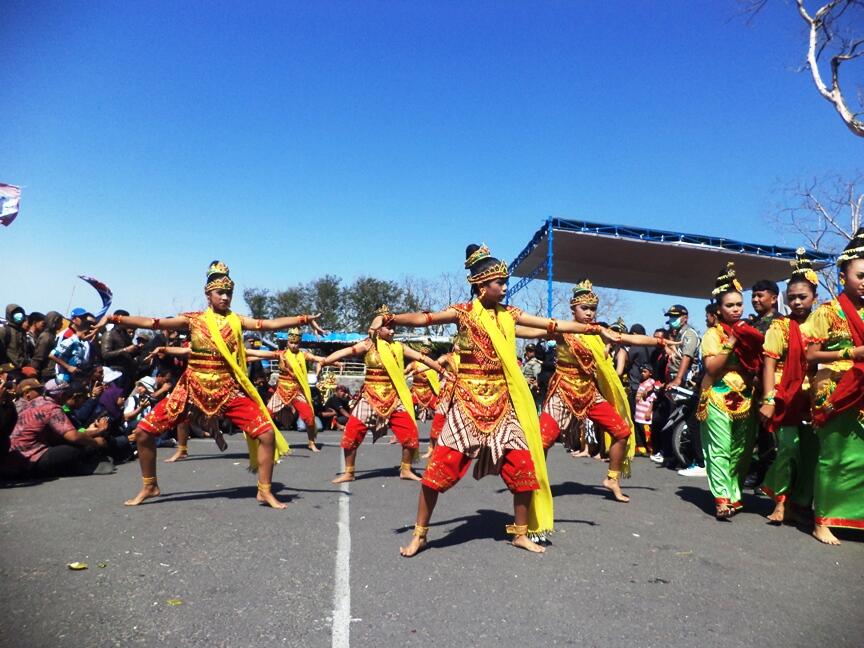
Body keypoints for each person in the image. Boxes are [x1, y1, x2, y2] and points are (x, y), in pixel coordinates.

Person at [373, 245, 619, 556]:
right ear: (480, 285)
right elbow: (425, 318)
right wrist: (394, 317)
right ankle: (420, 535)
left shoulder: (509, 315)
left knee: (524, 470)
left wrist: (592, 329)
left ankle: (519, 533)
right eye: (499, 283)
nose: (504, 288)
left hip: (502, 406)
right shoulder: (462, 312)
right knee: (436, 476)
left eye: (505, 282)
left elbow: (550, 324)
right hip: (467, 405)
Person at [102, 260, 324, 509]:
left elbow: (268, 324)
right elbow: (155, 323)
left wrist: (303, 319)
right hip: (192, 389)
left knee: (267, 433)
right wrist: (114, 319)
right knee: (143, 432)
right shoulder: (193, 320)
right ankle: (150, 485)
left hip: (227, 391)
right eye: (220, 292)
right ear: (208, 294)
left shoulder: (237, 321)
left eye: (229, 293)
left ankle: (264, 490)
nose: (226, 297)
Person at [534, 280, 672, 503]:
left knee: (622, 432)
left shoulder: (599, 332)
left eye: (592, 309)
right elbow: (532, 331)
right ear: (573, 309)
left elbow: (629, 338)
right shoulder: (563, 330)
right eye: (584, 308)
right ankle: (536, 484)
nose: (589, 313)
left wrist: (660, 341)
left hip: (588, 392)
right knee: (543, 441)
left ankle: (612, 479)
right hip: (563, 390)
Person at [321, 307, 448, 484]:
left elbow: (423, 359)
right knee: (351, 435)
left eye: (394, 327)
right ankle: (349, 472)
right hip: (369, 398)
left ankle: (406, 469)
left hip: (394, 398)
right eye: (388, 327)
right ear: (379, 329)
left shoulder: (399, 347)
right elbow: (346, 351)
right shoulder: (369, 344)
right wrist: (325, 361)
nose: (393, 330)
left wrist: (442, 370)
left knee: (410, 435)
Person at [801, 229, 864, 545]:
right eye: (861, 275)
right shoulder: (828, 311)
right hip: (834, 391)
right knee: (834, 457)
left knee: (860, 458)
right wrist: (850, 353)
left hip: (863, 391)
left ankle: (853, 518)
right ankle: (822, 520)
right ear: (843, 275)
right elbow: (810, 354)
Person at [697, 262, 764, 519]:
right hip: (718, 396)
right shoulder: (713, 335)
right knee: (720, 449)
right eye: (729, 305)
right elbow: (712, 369)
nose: (736, 310)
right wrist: (733, 342)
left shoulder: (749, 331)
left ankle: (734, 495)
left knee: (741, 451)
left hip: (746, 398)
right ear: (718, 309)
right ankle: (721, 498)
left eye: (739, 305)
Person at [759, 249, 818, 525]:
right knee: (788, 450)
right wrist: (769, 399)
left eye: (802, 297)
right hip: (786, 397)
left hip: (815, 397)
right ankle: (780, 500)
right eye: (791, 297)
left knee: (811, 453)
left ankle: (801, 503)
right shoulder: (780, 327)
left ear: (815, 298)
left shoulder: (824, 325)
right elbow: (769, 364)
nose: (796, 302)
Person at [9, 378, 110, 478]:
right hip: (31, 460)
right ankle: (81, 466)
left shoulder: (28, 405)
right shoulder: (51, 407)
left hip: (14, 459)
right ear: (62, 395)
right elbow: (74, 436)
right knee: (79, 447)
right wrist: (95, 443)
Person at [246, 327, 327, 452]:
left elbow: (320, 359)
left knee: (309, 417)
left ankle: (311, 442)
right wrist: (245, 354)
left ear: (299, 343)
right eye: (291, 343)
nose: (294, 345)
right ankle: (262, 441)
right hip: (281, 391)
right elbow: (262, 355)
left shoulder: (304, 355)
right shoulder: (281, 354)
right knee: (267, 415)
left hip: (297, 391)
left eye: (296, 343)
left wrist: (335, 362)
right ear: (287, 342)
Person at [100, 309, 143, 391]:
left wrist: (136, 350)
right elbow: (105, 354)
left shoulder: (125, 335)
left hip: (127, 373)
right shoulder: (109, 334)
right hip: (113, 373)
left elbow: (128, 354)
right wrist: (126, 349)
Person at [51, 308, 96, 383]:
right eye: (82, 318)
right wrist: (68, 367)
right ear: (74, 319)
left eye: (85, 318)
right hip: (64, 376)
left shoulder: (83, 335)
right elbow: (56, 355)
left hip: (78, 375)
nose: (84, 320)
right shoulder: (66, 335)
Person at [406, 341, 441, 422]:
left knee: (435, 403)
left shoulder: (432, 363)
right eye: (424, 346)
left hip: (429, 388)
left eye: (428, 347)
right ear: (420, 348)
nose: (426, 349)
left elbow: (438, 370)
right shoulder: (414, 363)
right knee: (410, 401)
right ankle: (412, 414)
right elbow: (406, 370)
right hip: (416, 388)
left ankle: (432, 414)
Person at [29, 311, 64, 381]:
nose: (62, 324)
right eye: (60, 321)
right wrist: (33, 372)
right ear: (54, 321)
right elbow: (39, 357)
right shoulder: (46, 337)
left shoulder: (52, 336)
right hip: (43, 374)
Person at [633, 364, 657, 456]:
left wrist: (649, 410)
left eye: (645, 372)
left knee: (647, 430)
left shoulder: (651, 383)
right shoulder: (642, 382)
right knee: (639, 429)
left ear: (650, 373)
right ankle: (641, 448)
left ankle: (650, 448)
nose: (642, 374)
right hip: (639, 411)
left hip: (645, 411)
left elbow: (653, 398)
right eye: (641, 372)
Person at [0, 304, 29, 369]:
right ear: (9, 315)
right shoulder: (4, 331)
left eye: (20, 313)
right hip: (8, 367)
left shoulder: (22, 332)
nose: (18, 315)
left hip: (21, 367)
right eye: (15, 313)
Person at [520, 343, 542, 408]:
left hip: (531, 390)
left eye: (531, 351)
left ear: (535, 352)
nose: (528, 352)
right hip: (524, 388)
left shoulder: (535, 363)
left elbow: (537, 378)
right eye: (527, 350)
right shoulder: (526, 362)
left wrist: (536, 386)